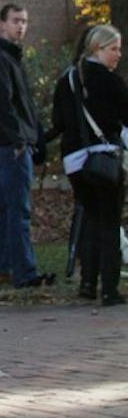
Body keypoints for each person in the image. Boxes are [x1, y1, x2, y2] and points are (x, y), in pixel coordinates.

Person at [51, 24, 128, 305]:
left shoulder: (67, 80)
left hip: (74, 162)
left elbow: (58, 122)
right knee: (109, 222)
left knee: (89, 219)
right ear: (97, 48)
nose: (118, 54)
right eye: (114, 49)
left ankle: (87, 283)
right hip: (104, 159)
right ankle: (109, 288)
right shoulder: (110, 81)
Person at [0, 3, 54, 288]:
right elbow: (2, 106)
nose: (20, 26)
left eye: (24, 21)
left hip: (7, 145)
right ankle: (24, 272)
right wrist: (20, 139)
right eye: (15, 21)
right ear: (2, 24)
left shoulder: (11, 60)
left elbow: (25, 107)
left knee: (5, 209)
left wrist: (39, 137)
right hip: (10, 147)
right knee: (18, 210)